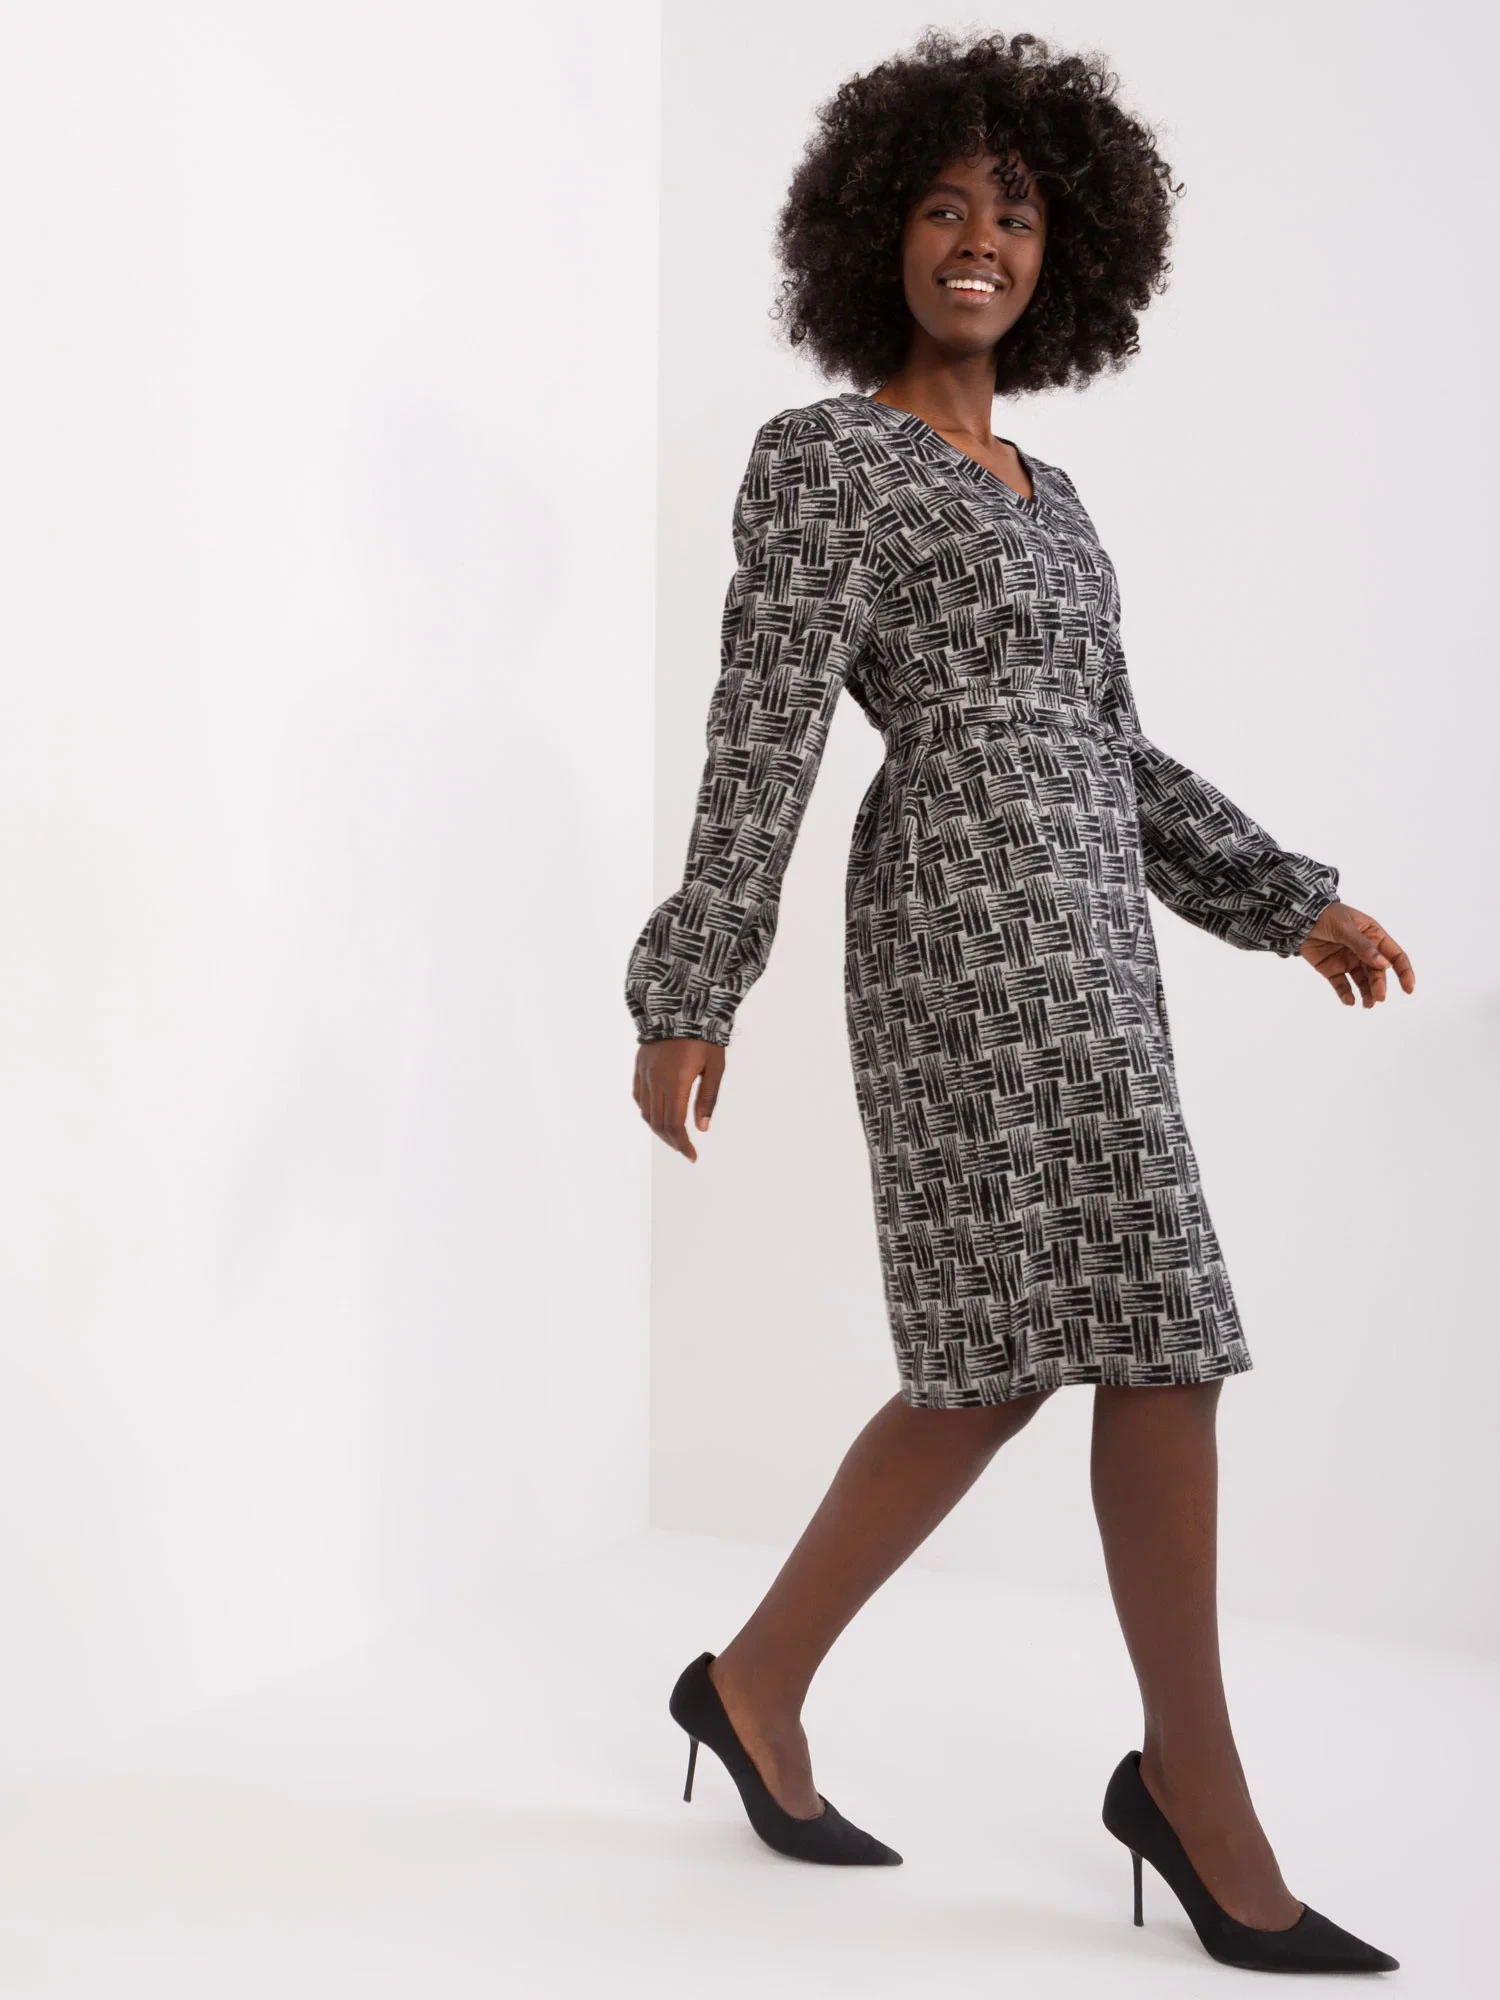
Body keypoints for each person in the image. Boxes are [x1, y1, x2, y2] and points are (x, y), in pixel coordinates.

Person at [624, 29, 1410, 1976]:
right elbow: (765, 726)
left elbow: (1113, 754)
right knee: (1133, 1333)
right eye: (942, 207)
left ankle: (753, 1681)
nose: (979, 239)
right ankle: (1198, 1792)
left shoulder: (1060, 504)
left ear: (1071, 254)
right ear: (875, 236)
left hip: (1097, 937)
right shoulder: (827, 459)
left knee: (1015, 1355)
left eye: (1019, 214)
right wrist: (695, 978)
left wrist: (1285, 897)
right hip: (956, 930)